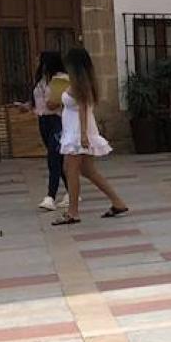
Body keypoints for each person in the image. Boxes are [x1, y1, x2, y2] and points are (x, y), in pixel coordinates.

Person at [54, 46, 130, 225]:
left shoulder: (80, 84)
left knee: (70, 170)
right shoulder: (83, 82)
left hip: (77, 132)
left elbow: (82, 109)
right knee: (88, 171)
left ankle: (73, 212)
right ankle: (117, 202)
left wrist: (82, 135)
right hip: (77, 130)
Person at [16, 50, 70, 210]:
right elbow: (37, 101)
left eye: (39, 60)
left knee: (53, 157)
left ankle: (50, 196)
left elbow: (54, 103)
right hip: (43, 120)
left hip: (57, 120)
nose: (36, 63)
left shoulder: (60, 78)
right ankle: (71, 191)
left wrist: (51, 101)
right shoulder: (41, 80)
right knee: (58, 159)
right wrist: (26, 106)